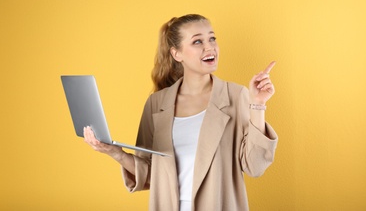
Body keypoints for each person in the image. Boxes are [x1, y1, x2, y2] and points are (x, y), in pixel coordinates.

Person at [83, 14, 278, 211]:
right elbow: (151, 173)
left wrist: (258, 104)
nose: (209, 47)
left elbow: (255, 166)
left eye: (212, 38)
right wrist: (114, 152)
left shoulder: (237, 96)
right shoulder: (156, 104)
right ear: (177, 54)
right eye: (197, 41)